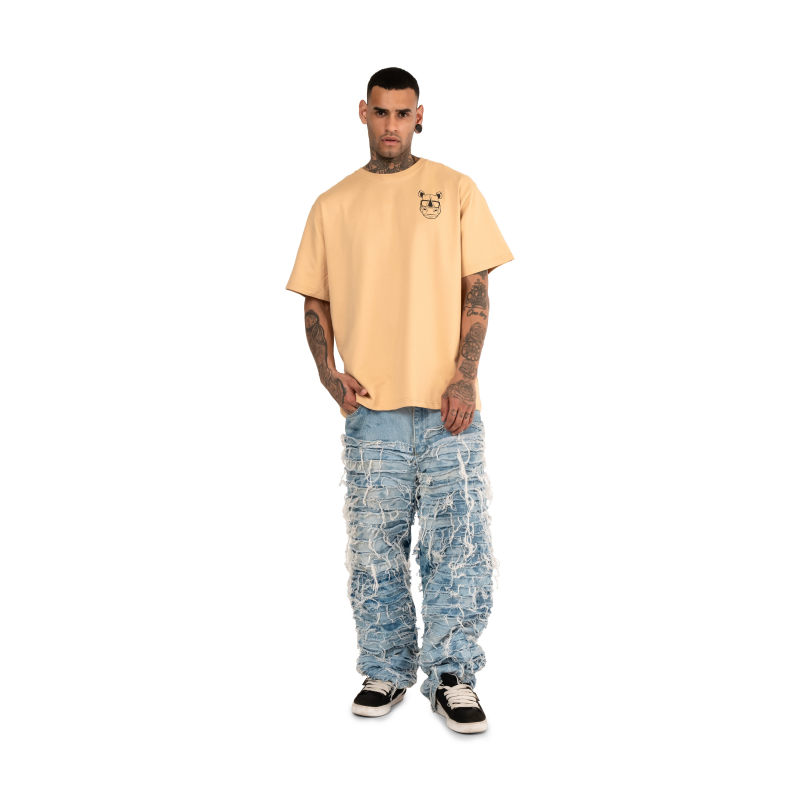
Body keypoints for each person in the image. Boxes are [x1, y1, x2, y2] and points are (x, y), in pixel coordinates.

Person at [285, 67, 513, 734]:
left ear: (420, 116)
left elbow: (477, 288)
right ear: (363, 112)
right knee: (374, 549)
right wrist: (328, 374)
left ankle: (452, 676)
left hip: (448, 410)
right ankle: (384, 668)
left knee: (459, 544)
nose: (392, 124)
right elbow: (315, 298)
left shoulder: (456, 189)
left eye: (403, 113)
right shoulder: (333, 204)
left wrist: (465, 376)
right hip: (372, 412)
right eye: (381, 112)